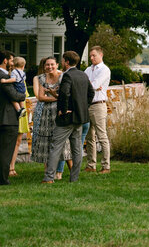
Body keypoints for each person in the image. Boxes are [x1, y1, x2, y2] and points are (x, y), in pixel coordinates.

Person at [45, 50, 93, 183]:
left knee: (56, 146)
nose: (61, 62)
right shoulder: (83, 75)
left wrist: (63, 110)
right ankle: (74, 178)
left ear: (66, 62)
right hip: (80, 118)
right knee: (77, 149)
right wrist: (83, 107)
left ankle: (49, 177)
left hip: (67, 119)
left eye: (62, 60)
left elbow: (65, 94)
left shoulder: (67, 76)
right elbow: (91, 93)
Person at [0, 49, 26, 186]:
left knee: (3, 150)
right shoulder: (1, 77)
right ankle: (4, 180)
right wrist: (23, 96)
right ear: (5, 61)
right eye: (11, 60)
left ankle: (2, 177)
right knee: (6, 151)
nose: (13, 63)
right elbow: (14, 96)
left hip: (0, 116)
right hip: (8, 118)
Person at [31, 56, 65, 180]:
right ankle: (48, 170)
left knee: (60, 141)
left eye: (52, 64)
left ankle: (59, 172)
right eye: (47, 65)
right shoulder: (40, 78)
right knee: (46, 140)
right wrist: (56, 98)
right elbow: (39, 96)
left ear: (57, 65)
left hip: (59, 112)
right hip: (45, 113)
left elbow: (65, 94)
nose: (50, 67)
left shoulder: (63, 77)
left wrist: (51, 95)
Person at [84, 46, 112, 174]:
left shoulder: (104, 70)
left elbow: (93, 85)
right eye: (90, 56)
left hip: (98, 105)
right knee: (89, 137)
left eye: (94, 55)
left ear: (101, 55)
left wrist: (92, 85)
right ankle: (91, 164)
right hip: (87, 104)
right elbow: (84, 84)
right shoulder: (88, 70)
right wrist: (92, 85)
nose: (91, 58)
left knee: (102, 136)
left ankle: (106, 166)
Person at [0, 56, 28, 178]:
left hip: (22, 110)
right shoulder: (10, 76)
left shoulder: (19, 76)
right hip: (14, 112)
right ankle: (9, 167)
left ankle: (12, 166)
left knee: (18, 140)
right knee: (13, 140)